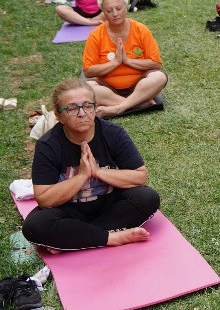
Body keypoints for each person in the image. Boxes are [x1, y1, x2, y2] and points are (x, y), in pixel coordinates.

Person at [21, 79, 160, 252]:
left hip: (108, 206)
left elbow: (140, 176)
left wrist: (97, 172)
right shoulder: (48, 145)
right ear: (59, 116)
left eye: (88, 106)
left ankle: (78, 237)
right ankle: (110, 237)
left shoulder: (113, 133)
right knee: (34, 226)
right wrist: (82, 176)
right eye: (71, 108)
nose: (82, 113)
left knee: (148, 197)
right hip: (70, 211)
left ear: (95, 109)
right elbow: (44, 199)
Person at [82, 0, 168, 118]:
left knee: (159, 77)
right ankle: (137, 104)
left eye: (119, 8)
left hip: (139, 85)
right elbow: (88, 71)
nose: (115, 14)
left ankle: (118, 108)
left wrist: (128, 61)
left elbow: (156, 63)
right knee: (88, 89)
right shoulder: (95, 35)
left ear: (126, 6)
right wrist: (115, 63)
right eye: (109, 10)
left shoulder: (141, 30)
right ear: (103, 12)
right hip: (107, 89)